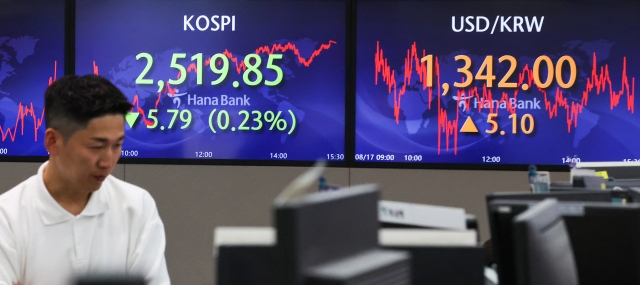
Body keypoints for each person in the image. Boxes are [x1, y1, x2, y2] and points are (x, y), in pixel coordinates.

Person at [0, 75, 170, 285]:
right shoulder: (7, 218)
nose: (107, 161)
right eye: (96, 147)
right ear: (53, 142)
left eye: (117, 145)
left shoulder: (136, 207)